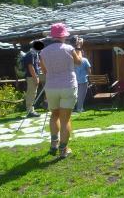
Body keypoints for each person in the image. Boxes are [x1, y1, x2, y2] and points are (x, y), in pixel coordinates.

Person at [40, 23, 83, 159]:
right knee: (65, 119)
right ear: (64, 36)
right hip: (68, 85)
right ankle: (63, 149)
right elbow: (79, 62)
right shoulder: (70, 48)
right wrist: (79, 48)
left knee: (54, 116)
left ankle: (54, 143)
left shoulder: (43, 52)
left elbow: (44, 70)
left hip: (51, 87)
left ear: (52, 36)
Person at [21, 40, 44, 118]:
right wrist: (35, 77)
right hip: (31, 77)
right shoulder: (31, 54)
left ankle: (31, 110)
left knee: (33, 93)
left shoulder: (34, 53)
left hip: (32, 76)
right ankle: (30, 111)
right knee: (31, 93)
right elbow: (30, 67)